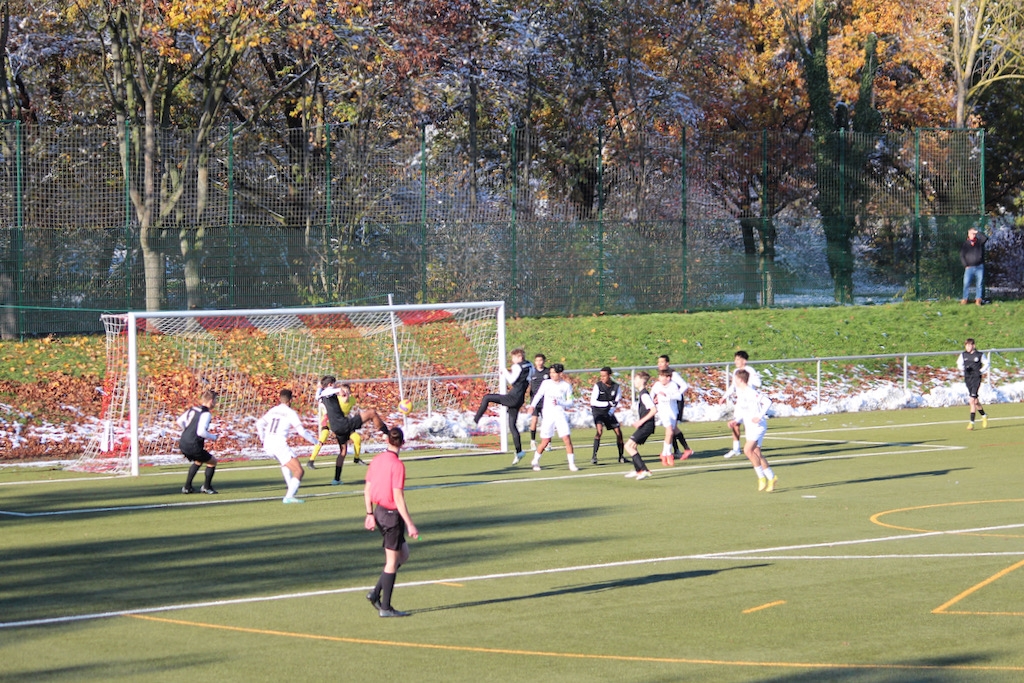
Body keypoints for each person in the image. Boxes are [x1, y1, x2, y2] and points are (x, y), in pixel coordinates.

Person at [364, 427, 419, 618]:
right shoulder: (397, 465)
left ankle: (375, 592)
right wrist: (410, 523)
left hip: (379, 512)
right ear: (403, 443)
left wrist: (369, 513)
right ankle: (385, 607)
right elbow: (398, 497)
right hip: (391, 516)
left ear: (387, 441)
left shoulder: (377, 460)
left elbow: (367, 490)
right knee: (392, 562)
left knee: (403, 554)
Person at [320, 376, 390, 485]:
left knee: (343, 452)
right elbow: (329, 391)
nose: (336, 386)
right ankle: (387, 434)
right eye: (334, 384)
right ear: (330, 384)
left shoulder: (324, 395)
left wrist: (338, 391)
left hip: (336, 427)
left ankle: (336, 479)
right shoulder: (327, 393)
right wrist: (340, 390)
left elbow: (324, 392)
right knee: (371, 413)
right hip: (343, 424)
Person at [257, 389, 320, 503]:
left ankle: (291, 486)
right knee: (299, 471)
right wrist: (315, 441)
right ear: (290, 400)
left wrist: (262, 438)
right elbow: (301, 431)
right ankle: (289, 496)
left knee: (285, 463)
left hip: (268, 444)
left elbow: (259, 423)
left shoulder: (274, 410)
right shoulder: (290, 413)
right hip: (279, 444)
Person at [473, 348, 532, 463]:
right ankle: (519, 451)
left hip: (513, 397)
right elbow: (527, 378)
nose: (512, 360)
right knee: (512, 425)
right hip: (520, 398)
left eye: (514, 358)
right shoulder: (530, 365)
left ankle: (475, 421)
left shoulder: (517, 366)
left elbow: (512, 380)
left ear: (519, 357)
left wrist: (504, 371)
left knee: (487, 398)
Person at [525, 363, 578, 471]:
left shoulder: (566, 386)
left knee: (567, 439)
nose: (552, 375)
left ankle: (571, 464)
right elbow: (538, 395)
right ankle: (535, 461)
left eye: (554, 373)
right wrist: (532, 406)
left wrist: (560, 402)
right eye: (551, 373)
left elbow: (570, 402)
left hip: (560, 415)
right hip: (548, 415)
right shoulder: (546, 383)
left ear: (560, 373)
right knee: (545, 441)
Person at [733, 368, 778, 492]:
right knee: (756, 453)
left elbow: (767, 402)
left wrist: (759, 416)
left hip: (758, 426)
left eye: (736, 379)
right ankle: (772, 477)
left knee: (747, 450)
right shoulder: (741, 393)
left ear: (741, 380)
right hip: (749, 426)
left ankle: (761, 478)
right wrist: (736, 420)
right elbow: (743, 410)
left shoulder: (751, 392)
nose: (734, 381)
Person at [307, 377, 364, 470]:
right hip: (329, 421)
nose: (345, 394)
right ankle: (311, 460)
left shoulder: (352, 400)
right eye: (343, 392)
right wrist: (320, 388)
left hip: (342, 423)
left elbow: (350, 411)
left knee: (357, 438)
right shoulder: (335, 399)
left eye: (347, 392)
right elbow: (323, 396)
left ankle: (357, 458)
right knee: (323, 437)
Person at [719, 350, 761, 458]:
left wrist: (747, 381)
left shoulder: (750, 370)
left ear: (744, 361)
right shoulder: (736, 371)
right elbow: (733, 386)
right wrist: (724, 396)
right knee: (735, 424)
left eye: (738, 359)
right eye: (735, 359)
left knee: (750, 425)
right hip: (740, 403)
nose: (736, 361)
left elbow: (758, 383)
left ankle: (754, 447)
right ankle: (736, 449)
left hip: (750, 403)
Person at [177, 390, 220, 494]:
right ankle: (206, 487)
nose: (216, 403)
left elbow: (179, 421)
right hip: (193, 445)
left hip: (183, 442)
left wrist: (187, 431)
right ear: (211, 401)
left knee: (198, 460)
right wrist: (213, 437)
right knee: (213, 461)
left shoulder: (193, 409)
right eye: (215, 401)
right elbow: (201, 432)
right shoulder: (206, 414)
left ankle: (187, 487)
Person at [657, 354, 693, 458]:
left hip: (675, 402)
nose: (659, 364)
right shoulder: (662, 375)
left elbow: (684, 385)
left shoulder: (673, 374)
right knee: (671, 428)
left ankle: (680, 450)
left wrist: (674, 395)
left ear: (667, 363)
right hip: (667, 403)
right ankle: (680, 450)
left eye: (662, 362)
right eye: (658, 362)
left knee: (671, 428)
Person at [624, 372, 656, 480]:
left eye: (636, 379)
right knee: (632, 446)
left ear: (642, 381)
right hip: (645, 425)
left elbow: (654, 410)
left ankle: (645, 470)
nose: (634, 381)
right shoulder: (643, 394)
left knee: (628, 446)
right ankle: (639, 471)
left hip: (647, 426)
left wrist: (640, 422)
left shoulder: (644, 395)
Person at [590, 367, 626, 464]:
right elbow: (593, 402)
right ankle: (594, 456)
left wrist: (611, 411)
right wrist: (608, 404)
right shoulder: (598, 386)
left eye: (604, 376)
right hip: (598, 411)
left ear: (609, 376)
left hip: (608, 411)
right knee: (599, 431)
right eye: (601, 376)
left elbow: (616, 402)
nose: (602, 378)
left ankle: (621, 456)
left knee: (618, 432)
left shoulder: (616, 387)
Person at [651, 368, 685, 467]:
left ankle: (664, 453)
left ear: (668, 378)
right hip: (663, 412)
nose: (660, 378)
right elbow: (651, 395)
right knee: (669, 432)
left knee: (669, 434)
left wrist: (667, 395)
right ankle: (669, 454)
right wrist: (654, 400)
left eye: (663, 377)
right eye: (660, 376)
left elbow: (678, 396)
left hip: (673, 412)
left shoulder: (673, 385)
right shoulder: (657, 385)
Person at [957, 338, 990, 430]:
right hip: (968, 379)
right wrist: (963, 368)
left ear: (973, 346)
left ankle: (971, 423)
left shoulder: (979, 355)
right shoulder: (963, 355)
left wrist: (981, 371)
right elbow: (959, 364)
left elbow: (987, 363)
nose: (967, 347)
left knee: (971, 400)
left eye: (969, 345)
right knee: (975, 401)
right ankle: (984, 415)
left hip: (976, 379)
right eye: (966, 345)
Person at [960, 226, 988, 305]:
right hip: (969, 267)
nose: (973, 235)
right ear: (968, 235)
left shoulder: (979, 242)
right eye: (971, 234)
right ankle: (965, 299)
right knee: (966, 283)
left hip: (979, 266)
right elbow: (962, 255)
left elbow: (985, 238)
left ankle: (978, 299)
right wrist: (965, 265)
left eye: (974, 234)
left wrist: (977, 232)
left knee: (979, 283)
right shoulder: (965, 244)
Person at [527, 353, 550, 451]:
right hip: (535, 401)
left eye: (541, 360)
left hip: (546, 401)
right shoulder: (532, 372)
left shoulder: (548, 372)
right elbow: (527, 384)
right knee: (534, 420)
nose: (539, 362)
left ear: (544, 361)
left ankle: (548, 443)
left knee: (547, 422)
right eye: (537, 360)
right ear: (535, 362)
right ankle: (532, 441)